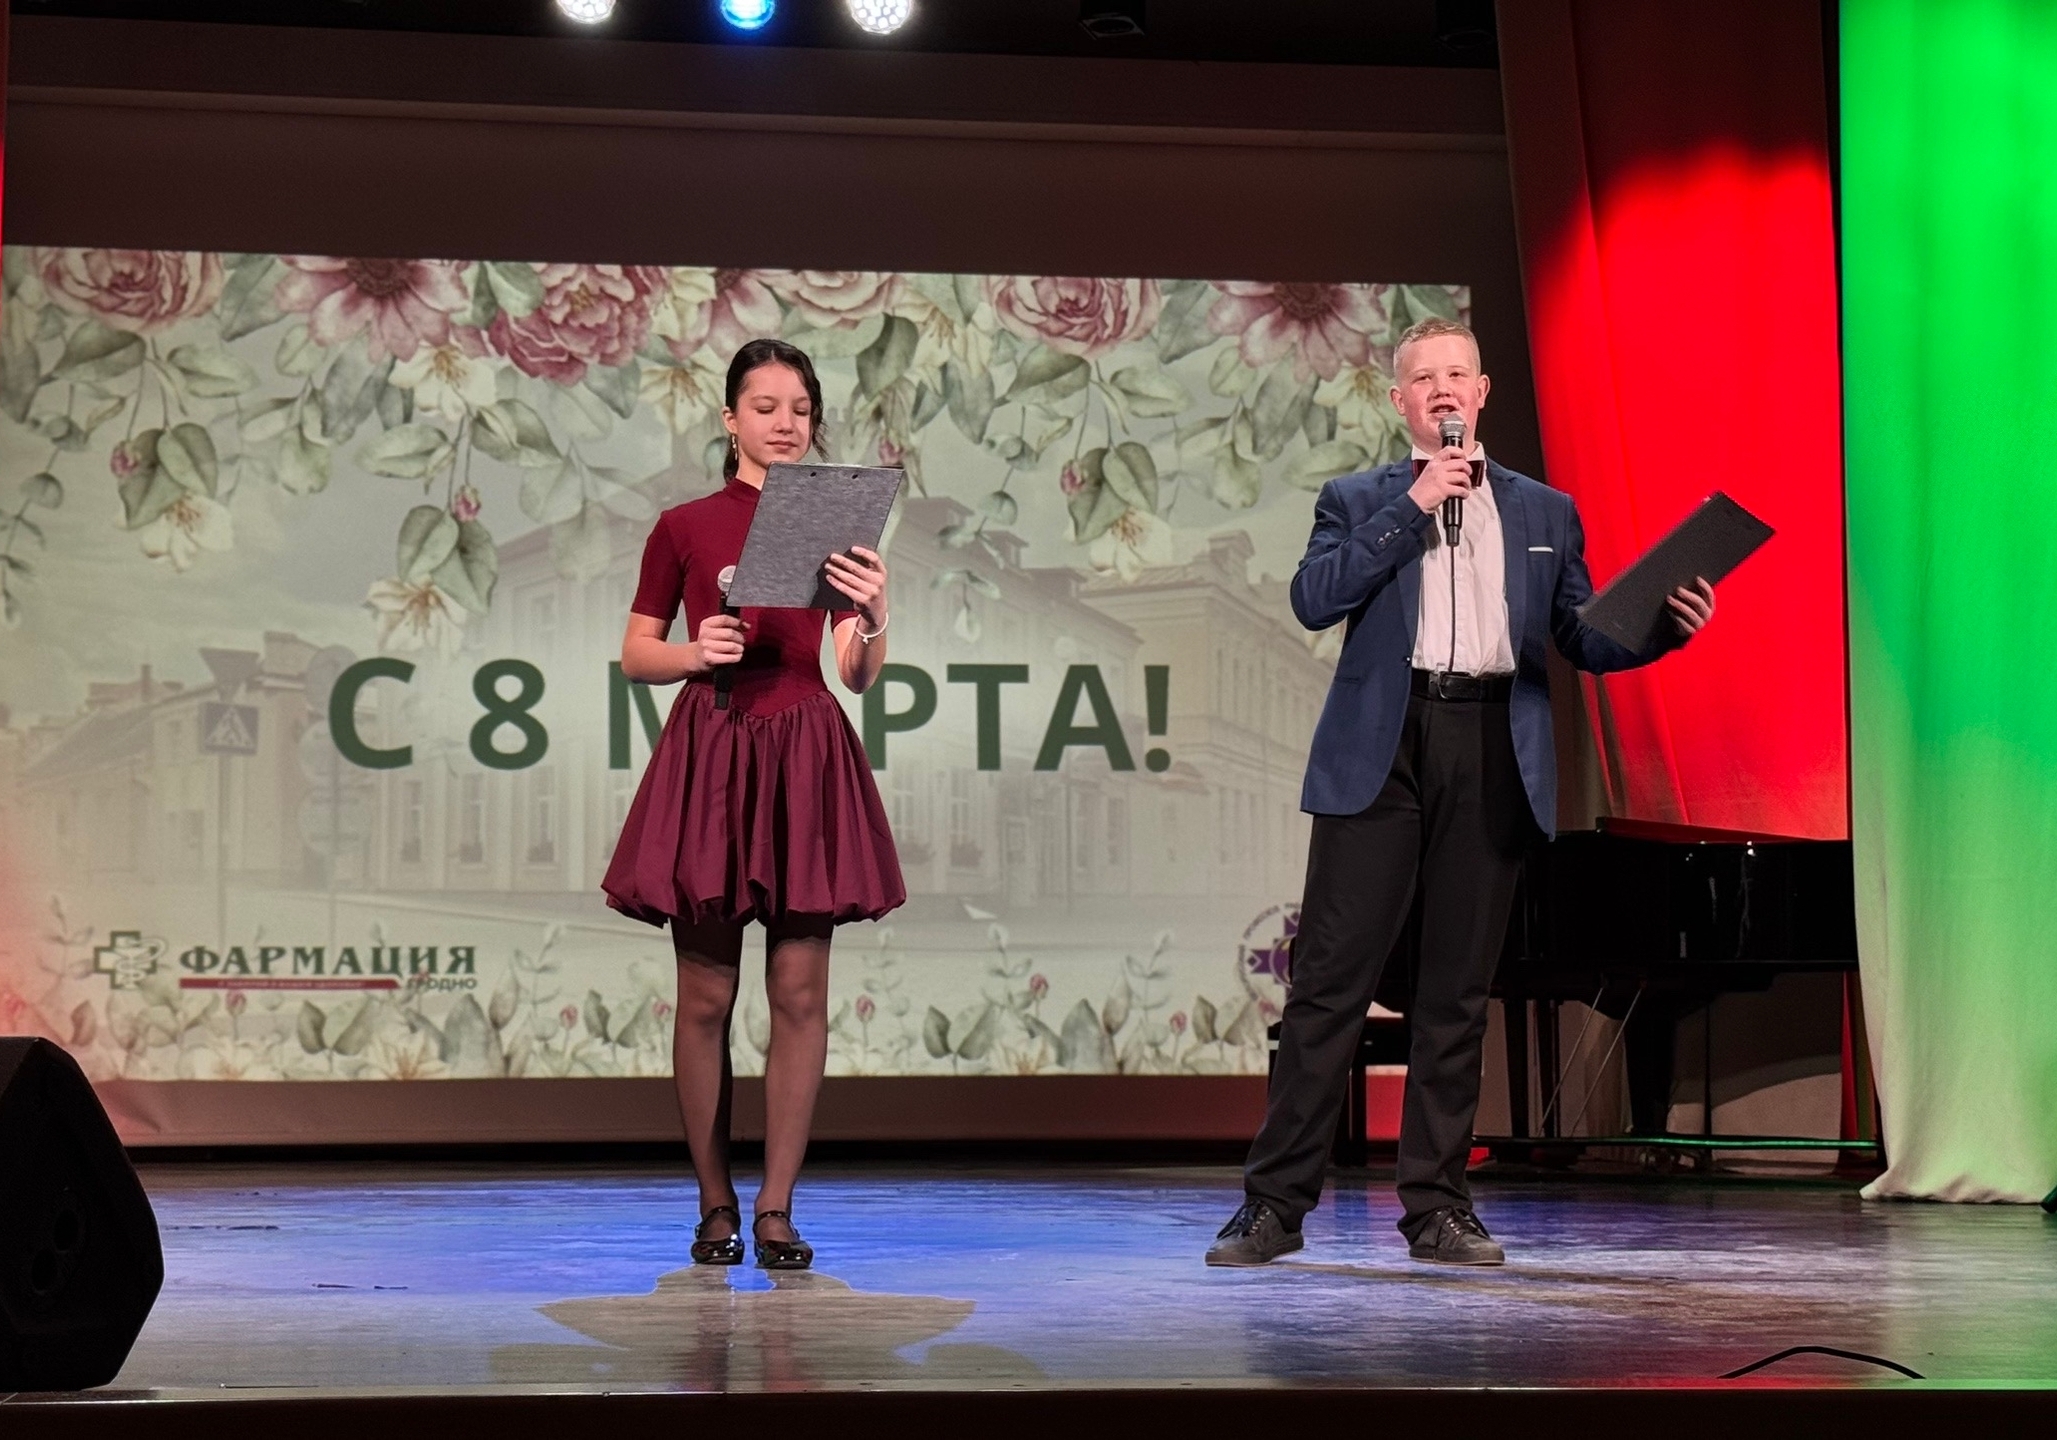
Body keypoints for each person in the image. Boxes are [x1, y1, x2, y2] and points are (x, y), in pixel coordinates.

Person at [1206, 316, 1716, 1268]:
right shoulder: (1358, 497)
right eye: (1423, 378)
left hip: (1490, 742)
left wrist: (1660, 629)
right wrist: (1413, 504)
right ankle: (1273, 1205)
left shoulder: (1545, 512)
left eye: (1457, 375)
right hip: (1382, 747)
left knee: (1456, 995)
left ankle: (1437, 1208)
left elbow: (1580, 636)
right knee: (1328, 989)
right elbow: (1314, 599)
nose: (1442, 389)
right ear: (1398, 400)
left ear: (1481, 393)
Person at [603, 338, 903, 1271]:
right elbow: (637, 653)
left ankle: (776, 1208)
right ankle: (714, 1205)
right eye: (765, 407)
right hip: (715, 745)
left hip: (804, 747)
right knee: (705, 994)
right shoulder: (684, 525)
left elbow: (854, 671)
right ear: (729, 419)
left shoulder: (833, 524)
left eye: (801, 409)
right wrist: (697, 653)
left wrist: (874, 617)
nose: (785, 423)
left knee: (800, 993)